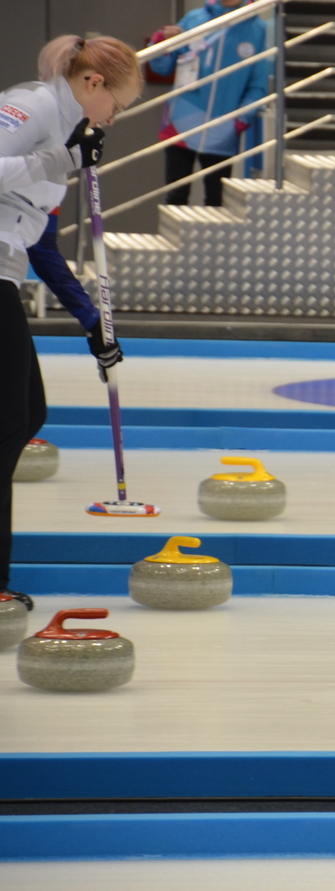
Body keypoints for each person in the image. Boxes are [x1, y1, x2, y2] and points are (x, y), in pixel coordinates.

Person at [1, 35, 141, 609]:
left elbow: (45, 246)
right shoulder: (34, 105)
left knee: (26, 413)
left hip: (7, 267)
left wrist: (92, 322)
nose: (115, 117)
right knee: (9, 417)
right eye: (119, 104)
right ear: (92, 85)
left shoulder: (65, 130)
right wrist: (61, 158)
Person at [145, 0, 270, 208]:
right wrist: (161, 42)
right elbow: (162, 65)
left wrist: (239, 120)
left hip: (223, 128)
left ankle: (210, 250)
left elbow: (258, 84)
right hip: (181, 122)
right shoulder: (194, 20)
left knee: (216, 203)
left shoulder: (258, 31)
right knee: (176, 199)